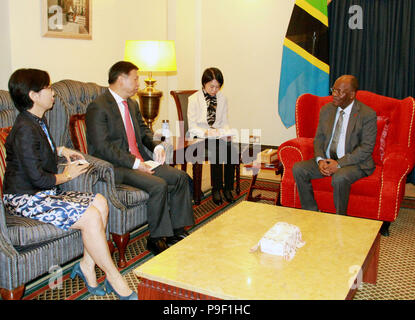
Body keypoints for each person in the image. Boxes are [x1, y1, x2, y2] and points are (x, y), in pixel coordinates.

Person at [3, 68, 137, 300]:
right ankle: (114, 276)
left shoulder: (35, 121)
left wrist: (61, 150)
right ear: (34, 96)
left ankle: (86, 266)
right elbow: (37, 178)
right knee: (92, 216)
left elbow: (35, 154)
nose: (52, 92)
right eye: (47, 87)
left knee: (101, 202)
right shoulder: (25, 128)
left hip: (41, 193)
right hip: (25, 199)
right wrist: (67, 175)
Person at [86, 61, 194, 255]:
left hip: (140, 160)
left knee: (180, 177)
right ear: (121, 79)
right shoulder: (98, 107)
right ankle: (155, 238)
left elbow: (143, 131)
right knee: (158, 184)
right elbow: (102, 148)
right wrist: (135, 163)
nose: (138, 83)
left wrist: (157, 146)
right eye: (135, 78)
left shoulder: (132, 103)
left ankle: (176, 231)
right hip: (117, 167)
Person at [292, 75, 377, 215]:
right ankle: (311, 213)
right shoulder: (327, 110)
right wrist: (320, 160)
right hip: (327, 158)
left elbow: (366, 148)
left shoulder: (367, 114)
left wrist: (338, 164)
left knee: (340, 177)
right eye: (333, 90)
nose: (334, 95)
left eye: (339, 91)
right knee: (299, 168)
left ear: (351, 95)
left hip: (354, 163)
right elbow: (319, 139)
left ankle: (340, 219)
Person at [187, 67, 239, 205]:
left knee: (230, 148)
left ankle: (228, 188)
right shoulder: (194, 99)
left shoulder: (222, 98)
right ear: (204, 83)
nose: (215, 90)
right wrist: (206, 132)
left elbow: (224, 122)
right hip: (200, 136)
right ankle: (217, 189)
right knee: (217, 150)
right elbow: (192, 127)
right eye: (212, 86)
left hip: (216, 135)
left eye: (218, 87)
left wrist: (225, 133)